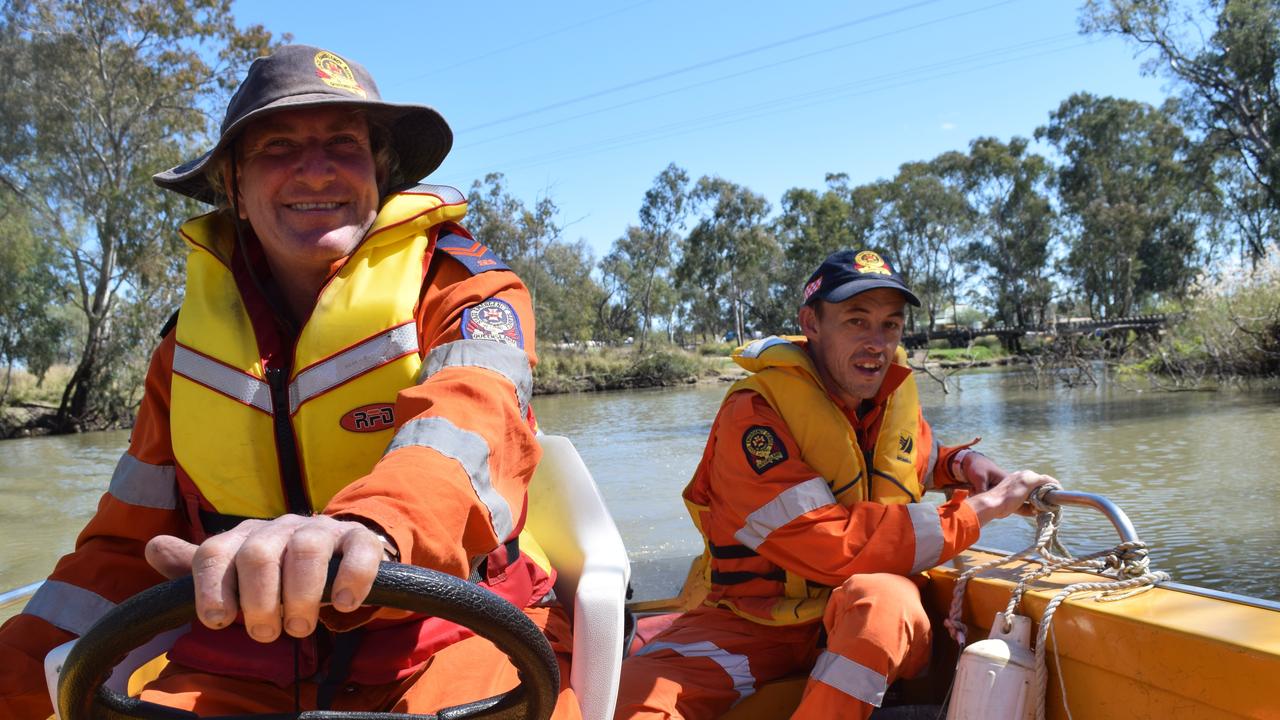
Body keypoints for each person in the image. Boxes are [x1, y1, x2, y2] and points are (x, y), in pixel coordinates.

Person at [0, 45, 581, 719]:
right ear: (235, 189)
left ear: (380, 173)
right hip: (238, 654)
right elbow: (123, 552)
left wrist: (369, 531)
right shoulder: (183, 352)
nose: (316, 168)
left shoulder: (468, 292)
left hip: (450, 631)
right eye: (278, 147)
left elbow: (469, 420)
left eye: (344, 143)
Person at [613, 250, 1059, 720]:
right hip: (759, 620)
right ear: (812, 323)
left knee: (884, 603)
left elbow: (910, 461)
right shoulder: (754, 416)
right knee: (633, 701)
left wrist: (965, 463)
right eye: (856, 321)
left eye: (891, 324)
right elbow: (826, 543)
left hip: (864, 617)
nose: (877, 343)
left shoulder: (883, 399)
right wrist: (980, 510)